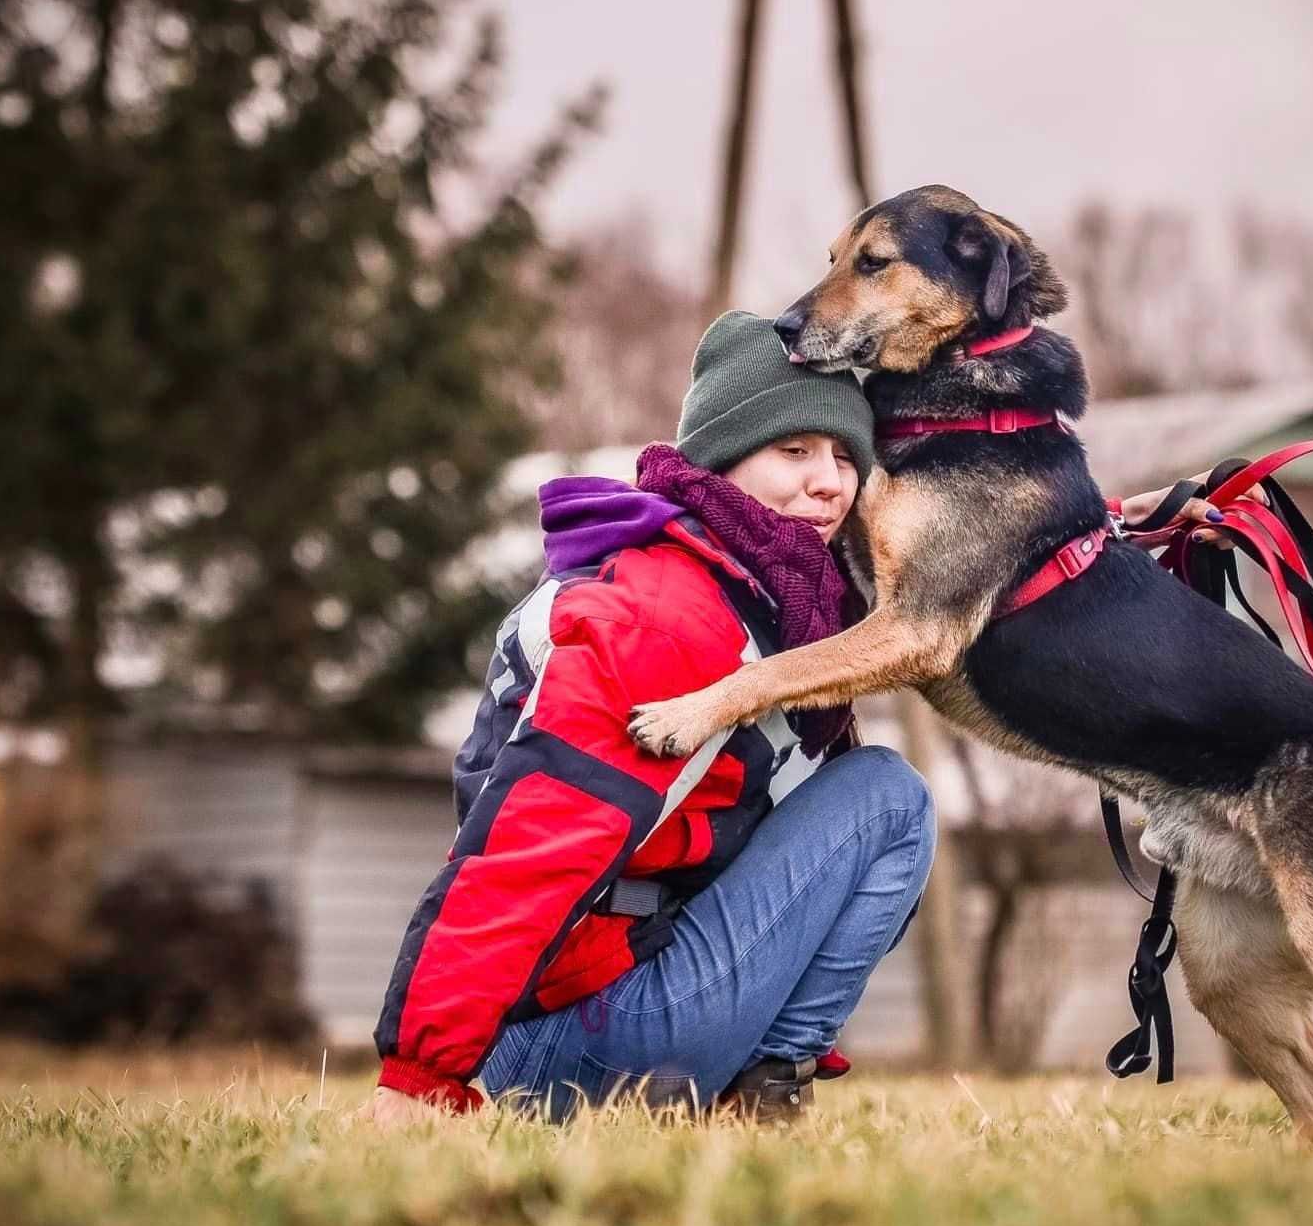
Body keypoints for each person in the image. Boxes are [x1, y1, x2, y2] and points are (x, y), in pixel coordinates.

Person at [365, 311, 928, 1124]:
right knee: (889, 797)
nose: (830, 482)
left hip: (580, 1010)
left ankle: (753, 1083)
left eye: (846, 456)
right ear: (724, 459)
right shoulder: (673, 614)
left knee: (864, 788)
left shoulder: (771, 598)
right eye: (793, 450)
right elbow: (538, 840)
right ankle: (761, 1092)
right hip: (588, 1030)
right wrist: (421, 1073)